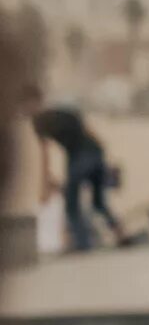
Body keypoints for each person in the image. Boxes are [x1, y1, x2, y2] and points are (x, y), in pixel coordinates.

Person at [27, 91, 126, 251]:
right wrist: (103, 162)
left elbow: (45, 156)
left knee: (71, 204)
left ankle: (82, 243)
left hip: (79, 156)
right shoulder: (63, 111)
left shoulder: (38, 121)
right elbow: (89, 132)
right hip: (95, 151)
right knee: (98, 202)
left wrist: (44, 188)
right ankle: (121, 235)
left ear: (32, 102)